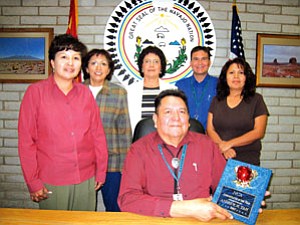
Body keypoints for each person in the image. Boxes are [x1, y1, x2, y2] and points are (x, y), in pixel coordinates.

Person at [18, 34, 108, 211]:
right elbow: (26, 142)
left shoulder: (85, 93)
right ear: (52, 62)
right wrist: (33, 182)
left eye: (76, 58)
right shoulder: (35, 93)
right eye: (64, 57)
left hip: (86, 177)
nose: (70, 63)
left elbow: (97, 134)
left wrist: (101, 171)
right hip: (53, 180)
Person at [118, 89, 233, 221]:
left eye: (182, 112)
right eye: (168, 112)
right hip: (155, 220)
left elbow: (227, 187)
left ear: (189, 120)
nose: (176, 118)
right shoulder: (138, 150)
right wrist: (185, 208)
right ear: (155, 119)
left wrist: (248, 200)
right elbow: (127, 199)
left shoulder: (207, 146)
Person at [82, 49, 132, 212]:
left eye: (103, 64)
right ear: (86, 68)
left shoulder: (118, 92)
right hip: (83, 162)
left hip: (112, 162)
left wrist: (126, 166)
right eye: (94, 63)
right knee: (84, 208)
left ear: (109, 69)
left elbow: (124, 131)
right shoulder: (76, 91)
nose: (98, 67)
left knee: (114, 207)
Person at [207, 57, 269, 166]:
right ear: (225, 77)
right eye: (231, 73)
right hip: (219, 157)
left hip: (247, 160)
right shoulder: (217, 100)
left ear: (247, 77)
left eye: (241, 73)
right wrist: (223, 147)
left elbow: (259, 132)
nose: (236, 76)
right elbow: (210, 129)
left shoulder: (256, 100)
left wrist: (229, 144)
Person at [127, 46, 176, 132]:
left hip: (165, 139)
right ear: (142, 67)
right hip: (139, 140)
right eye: (147, 61)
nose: (151, 65)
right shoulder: (130, 91)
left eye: (156, 62)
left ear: (161, 67)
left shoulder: (172, 91)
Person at [175, 46, 218, 130]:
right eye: (196, 59)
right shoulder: (180, 85)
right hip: (185, 135)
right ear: (190, 63)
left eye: (204, 59)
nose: (200, 63)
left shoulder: (219, 84)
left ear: (209, 62)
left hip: (211, 137)